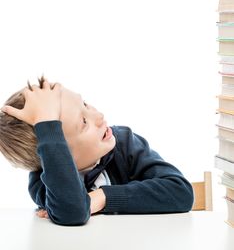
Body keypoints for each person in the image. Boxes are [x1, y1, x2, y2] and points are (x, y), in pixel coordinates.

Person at [0, 76, 194, 226]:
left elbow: (181, 192)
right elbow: (73, 212)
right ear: (54, 150)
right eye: (84, 122)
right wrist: (48, 127)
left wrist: (102, 197)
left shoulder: (124, 143)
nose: (99, 116)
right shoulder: (45, 179)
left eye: (85, 104)